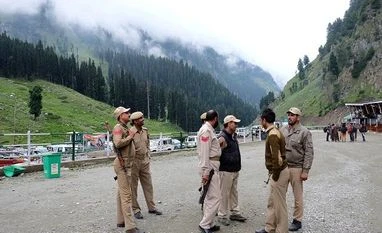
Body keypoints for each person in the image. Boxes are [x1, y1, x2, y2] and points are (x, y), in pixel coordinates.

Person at [255, 108, 289, 233]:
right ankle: (270, 228)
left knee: (279, 206)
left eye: (261, 120)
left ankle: (281, 230)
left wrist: (275, 175)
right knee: (272, 202)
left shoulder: (273, 135)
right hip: (278, 172)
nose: (260, 122)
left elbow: (277, 159)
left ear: (264, 120)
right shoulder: (274, 131)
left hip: (279, 173)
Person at [280, 107, 314, 232]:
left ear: (298, 117)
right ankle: (279, 217)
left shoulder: (304, 132)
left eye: (292, 115)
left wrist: (305, 171)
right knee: (279, 193)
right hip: (283, 167)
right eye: (288, 115)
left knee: (297, 196)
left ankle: (297, 220)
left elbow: (309, 152)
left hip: (297, 168)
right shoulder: (282, 130)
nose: (289, 117)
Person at [112, 107, 143, 233]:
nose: (129, 114)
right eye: (126, 113)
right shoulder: (118, 128)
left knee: (121, 193)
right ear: (120, 115)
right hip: (122, 163)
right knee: (126, 196)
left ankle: (121, 220)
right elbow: (118, 143)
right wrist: (130, 137)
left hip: (127, 163)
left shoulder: (124, 127)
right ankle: (130, 227)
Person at [129, 111, 162, 219]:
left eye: (142, 117)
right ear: (134, 121)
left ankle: (151, 207)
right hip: (134, 162)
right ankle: (136, 209)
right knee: (133, 187)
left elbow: (147, 144)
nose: (142, 119)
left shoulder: (145, 131)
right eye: (140, 118)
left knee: (148, 185)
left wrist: (148, 156)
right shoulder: (130, 132)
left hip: (144, 161)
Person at [217, 115, 247, 226]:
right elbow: (216, 152)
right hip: (226, 170)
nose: (236, 124)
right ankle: (222, 215)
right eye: (234, 123)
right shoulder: (222, 137)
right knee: (224, 193)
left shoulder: (232, 136)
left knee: (234, 192)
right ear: (229, 123)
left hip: (234, 169)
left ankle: (235, 212)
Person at [198, 110, 222, 233]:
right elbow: (204, 153)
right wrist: (206, 172)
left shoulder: (209, 130)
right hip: (210, 167)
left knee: (209, 197)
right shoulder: (206, 131)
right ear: (215, 118)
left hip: (213, 166)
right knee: (216, 197)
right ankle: (205, 224)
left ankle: (209, 223)